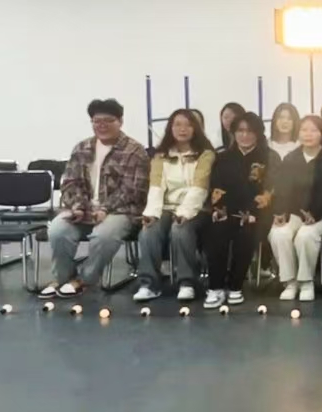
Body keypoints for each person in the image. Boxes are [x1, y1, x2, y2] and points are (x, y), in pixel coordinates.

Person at [41, 99, 150, 299]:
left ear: (120, 121)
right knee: (57, 230)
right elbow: (70, 182)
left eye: (108, 121)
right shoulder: (82, 148)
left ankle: (84, 279)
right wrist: (78, 206)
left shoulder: (134, 150)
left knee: (104, 236)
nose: (102, 126)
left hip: (121, 211)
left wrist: (105, 209)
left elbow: (133, 189)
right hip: (84, 209)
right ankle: (63, 279)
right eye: (97, 121)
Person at [133, 109, 215, 302]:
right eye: (177, 124)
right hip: (166, 207)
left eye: (188, 125)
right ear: (170, 128)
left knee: (180, 229)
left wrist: (185, 212)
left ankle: (187, 282)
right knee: (149, 230)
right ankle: (149, 284)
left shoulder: (205, 155)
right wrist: (152, 214)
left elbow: (200, 187)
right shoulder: (160, 156)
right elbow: (156, 187)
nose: (182, 129)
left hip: (197, 209)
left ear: (196, 129)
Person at [204, 112, 281, 308]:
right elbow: (217, 188)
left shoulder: (270, 157)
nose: (244, 135)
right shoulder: (223, 157)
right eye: (240, 131)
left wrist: (251, 211)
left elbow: (270, 190)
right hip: (226, 209)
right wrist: (224, 210)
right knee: (216, 230)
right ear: (233, 133)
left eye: (250, 131)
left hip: (257, 213)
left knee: (247, 231)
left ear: (258, 133)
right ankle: (215, 287)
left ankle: (235, 286)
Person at [269, 115, 322, 302]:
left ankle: (306, 282)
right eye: (304, 130)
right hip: (294, 213)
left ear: (321, 134)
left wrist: (315, 214)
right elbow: (282, 189)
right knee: (279, 234)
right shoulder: (291, 158)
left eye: (313, 130)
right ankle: (290, 282)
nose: (308, 134)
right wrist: (280, 212)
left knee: (306, 235)